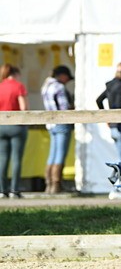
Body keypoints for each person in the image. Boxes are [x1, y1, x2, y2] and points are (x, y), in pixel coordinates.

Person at [41, 65, 74, 194]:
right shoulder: (59, 87)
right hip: (61, 122)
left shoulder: (45, 86)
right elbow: (64, 107)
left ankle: (48, 183)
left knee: (52, 154)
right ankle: (56, 184)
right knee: (60, 154)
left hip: (50, 123)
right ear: (62, 76)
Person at [0, 64, 29, 198]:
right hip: (16, 125)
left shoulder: (0, 86)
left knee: (2, 158)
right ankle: (14, 190)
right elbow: (23, 108)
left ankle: (2, 190)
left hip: (1, 125)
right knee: (16, 158)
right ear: (16, 73)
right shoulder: (18, 86)